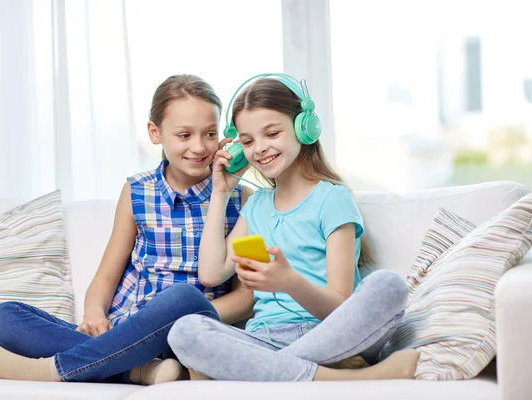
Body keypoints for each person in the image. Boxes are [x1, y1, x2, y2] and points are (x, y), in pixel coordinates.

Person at [0, 74, 254, 384]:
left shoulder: (242, 198)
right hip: (126, 327)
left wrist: (180, 320)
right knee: (6, 316)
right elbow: (105, 276)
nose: (199, 147)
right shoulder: (137, 191)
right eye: (184, 135)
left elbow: (245, 299)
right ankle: (139, 370)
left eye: (209, 134)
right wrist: (94, 314)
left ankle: (54, 368)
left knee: (181, 297)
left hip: (191, 329)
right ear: (155, 133)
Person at [167, 73, 419, 382]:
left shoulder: (332, 199)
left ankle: (264, 371)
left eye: (272, 133)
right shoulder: (256, 205)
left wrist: (289, 282)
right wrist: (220, 192)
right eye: (247, 141)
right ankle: (336, 376)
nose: (259, 148)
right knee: (184, 330)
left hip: (331, 334)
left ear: (304, 128)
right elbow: (211, 273)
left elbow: (340, 307)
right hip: (265, 340)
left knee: (388, 286)